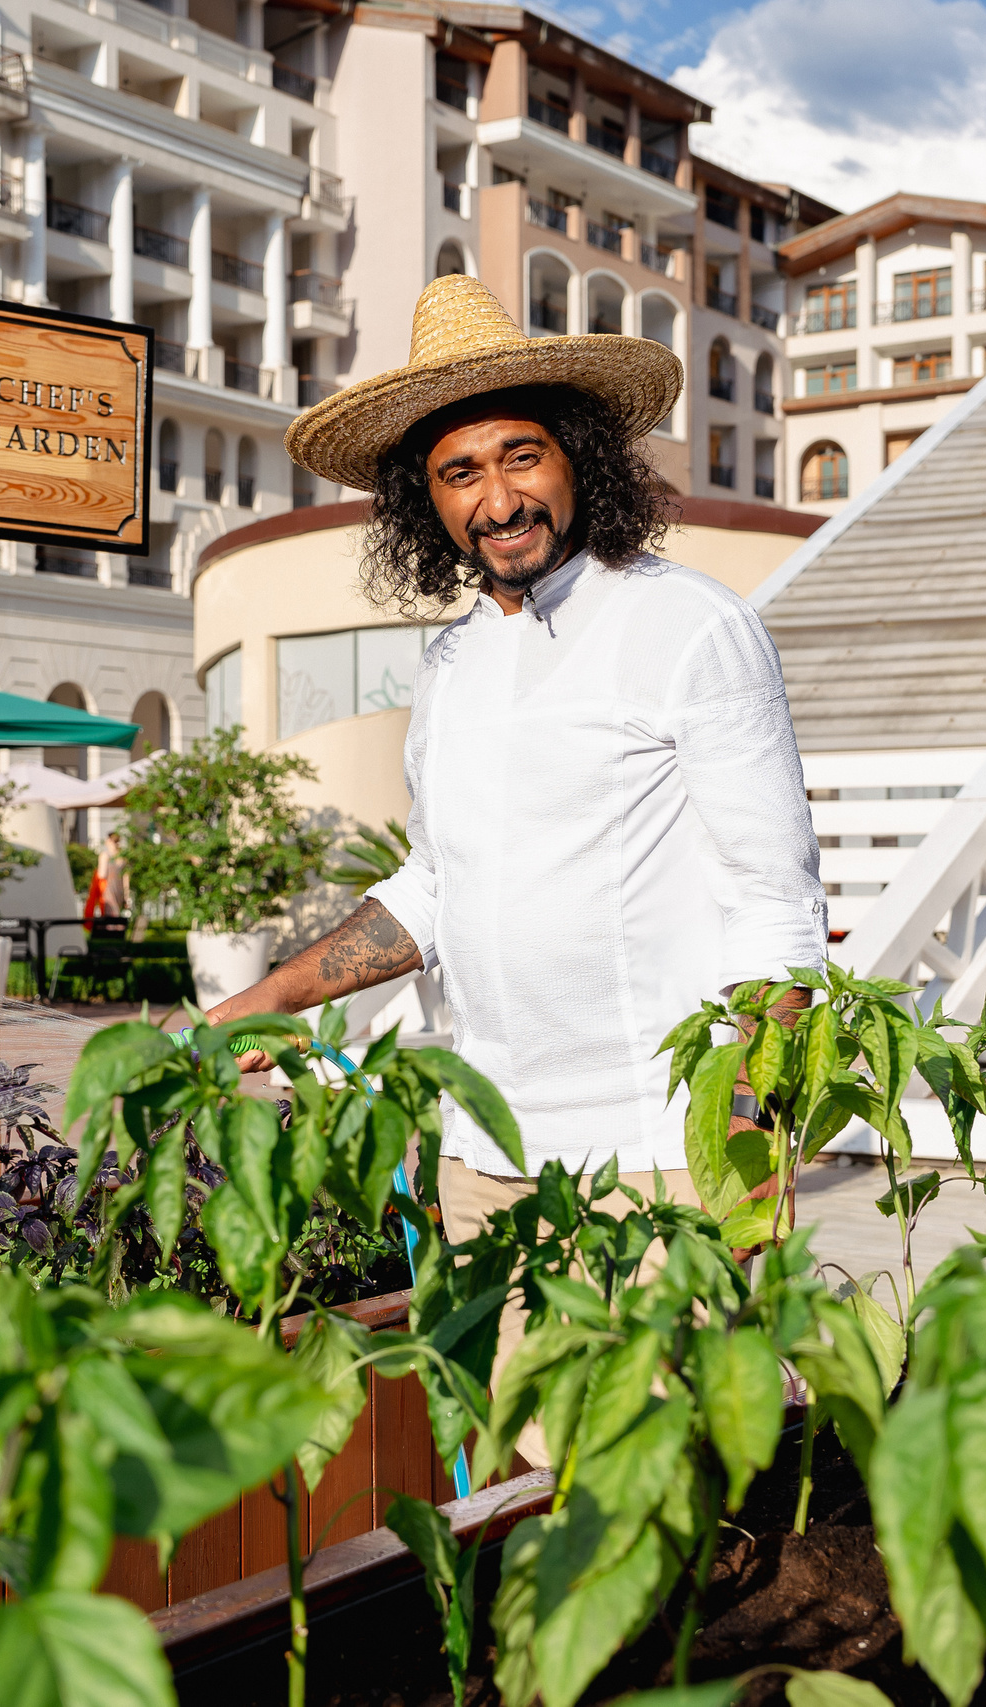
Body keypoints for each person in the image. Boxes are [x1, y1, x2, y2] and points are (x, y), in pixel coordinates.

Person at [201, 272, 827, 1274]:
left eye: (521, 457)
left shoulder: (688, 625)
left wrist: (748, 1150)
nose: (497, 502)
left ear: (577, 458)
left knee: (665, 1434)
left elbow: (774, 901)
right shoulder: (452, 664)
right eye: (458, 474)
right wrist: (275, 996)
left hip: (660, 1157)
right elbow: (435, 887)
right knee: (516, 1434)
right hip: (487, 1157)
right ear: (425, 499)